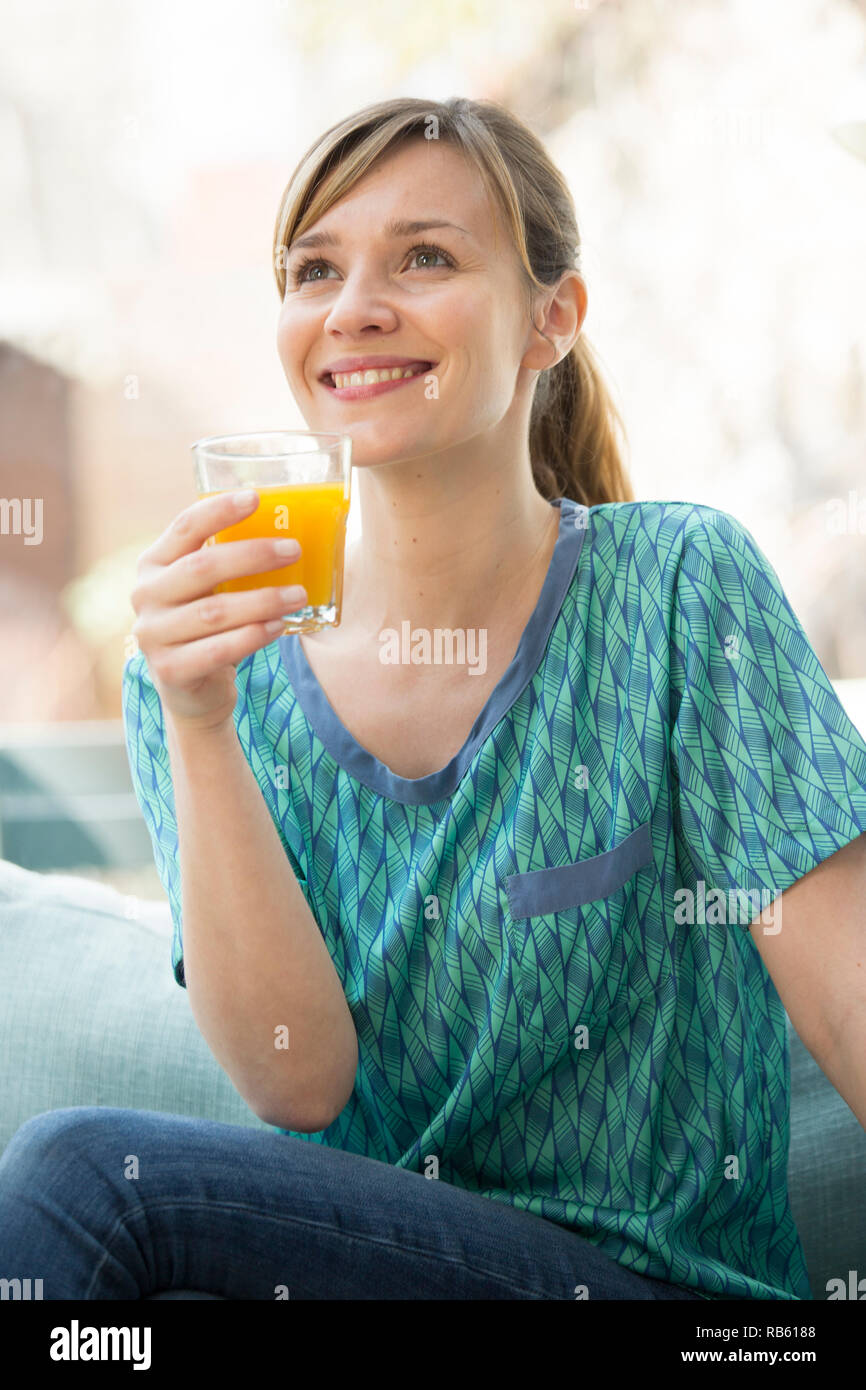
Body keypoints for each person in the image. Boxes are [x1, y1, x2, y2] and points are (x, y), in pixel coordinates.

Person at [2, 96, 865, 1302]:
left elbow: (849, 1007)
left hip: (659, 1292)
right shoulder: (201, 665)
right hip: (358, 1275)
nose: (352, 306)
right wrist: (199, 726)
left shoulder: (676, 589)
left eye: (423, 256)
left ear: (548, 320)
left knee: (81, 1178)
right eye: (314, 268)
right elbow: (298, 1086)